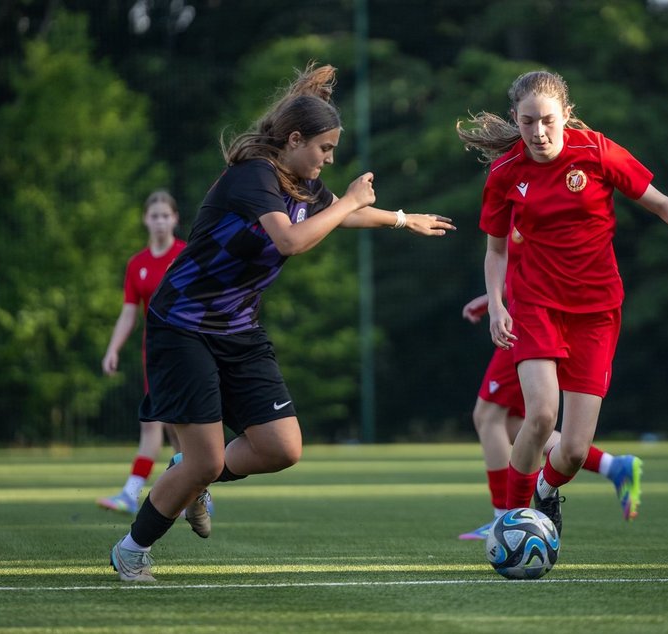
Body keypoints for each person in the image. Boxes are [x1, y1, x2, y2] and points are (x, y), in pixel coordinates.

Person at [109, 62, 456, 581]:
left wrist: (402, 220)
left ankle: (186, 478)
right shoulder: (254, 176)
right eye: (324, 148)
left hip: (238, 330)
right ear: (294, 140)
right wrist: (354, 201)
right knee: (203, 461)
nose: (329, 158)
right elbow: (292, 240)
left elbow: (341, 212)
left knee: (281, 447)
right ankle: (132, 550)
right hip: (182, 326)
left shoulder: (301, 181)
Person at [457, 69, 668, 536]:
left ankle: (545, 491)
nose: (538, 133)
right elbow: (496, 250)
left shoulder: (597, 151)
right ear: (515, 121)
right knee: (539, 415)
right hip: (536, 306)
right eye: (526, 122)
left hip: (597, 312)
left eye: (547, 121)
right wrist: (498, 305)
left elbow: (660, 202)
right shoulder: (505, 173)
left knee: (576, 451)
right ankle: (512, 522)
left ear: (567, 116)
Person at [458, 299, 642, 541]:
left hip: (531, 316)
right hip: (533, 312)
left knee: (489, 415)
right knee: (516, 423)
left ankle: (503, 517)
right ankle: (611, 465)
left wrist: (493, 300)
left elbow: (528, 265)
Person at [97, 191, 189, 516]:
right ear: (145, 219)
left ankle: (194, 492)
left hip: (187, 351)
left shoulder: (185, 255)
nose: (161, 221)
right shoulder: (137, 264)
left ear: (175, 219)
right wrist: (113, 349)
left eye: (166, 215)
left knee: (181, 430)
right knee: (153, 424)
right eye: (155, 216)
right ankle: (131, 493)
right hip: (155, 353)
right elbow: (128, 312)